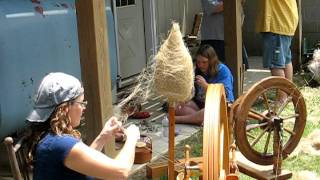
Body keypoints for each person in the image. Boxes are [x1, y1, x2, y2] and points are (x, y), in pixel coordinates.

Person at [26, 72, 140, 180]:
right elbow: (121, 172)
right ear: (65, 108)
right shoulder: (61, 144)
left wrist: (103, 137)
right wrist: (132, 138)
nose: (84, 108)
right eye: (81, 103)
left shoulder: (51, 138)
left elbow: (81, 160)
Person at [175, 45, 234, 125]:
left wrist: (206, 86)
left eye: (204, 62)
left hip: (220, 107)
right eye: (198, 62)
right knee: (177, 107)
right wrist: (186, 97)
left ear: (212, 61)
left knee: (208, 111)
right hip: (201, 106)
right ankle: (200, 119)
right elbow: (193, 93)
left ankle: (177, 119)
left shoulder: (223, 70)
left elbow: (225, 93)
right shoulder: (198, 71)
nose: (201, 65)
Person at [256, 0, 298, 101]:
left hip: (276, 22)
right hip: (286, 21)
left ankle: (281, 99)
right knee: (286, 61)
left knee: (276, 64)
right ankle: (288, 94)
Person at [200, 0, 249, 69]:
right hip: (215, 38)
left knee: (238, 69)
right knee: (215, 69)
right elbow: (212, 7)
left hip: (234, 36)